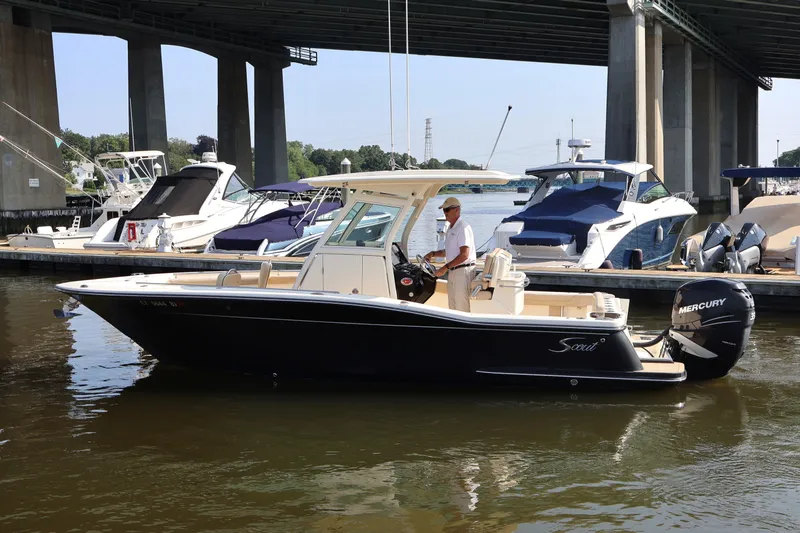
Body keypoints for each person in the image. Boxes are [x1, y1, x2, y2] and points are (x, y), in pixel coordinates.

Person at [424, 197, 476, 312]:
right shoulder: (451, 228)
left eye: (447, 210)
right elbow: (449, 252)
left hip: (462, 272)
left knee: (462, 308)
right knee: (453, 307)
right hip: (454, 271)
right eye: (444, 210)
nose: (445, 213)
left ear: (457, 210)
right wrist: (432, 254)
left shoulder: (462, 227)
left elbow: (464, 255)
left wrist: (445, 268)